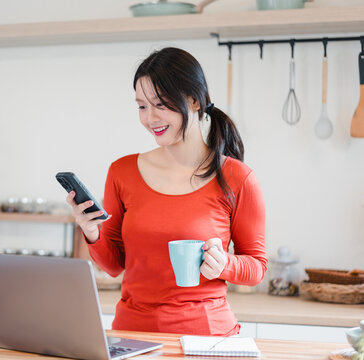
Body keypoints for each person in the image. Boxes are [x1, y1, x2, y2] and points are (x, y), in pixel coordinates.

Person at [66, 47, 267, 336]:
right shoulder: (122, 172)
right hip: (132, 337)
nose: (150, 118)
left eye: (160, 104)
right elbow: (113, 266)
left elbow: (257, 266)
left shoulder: (238, 177)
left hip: (206, 340)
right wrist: (92, 233)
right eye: (142, 106)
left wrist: (225, 265)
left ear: (194, 101)